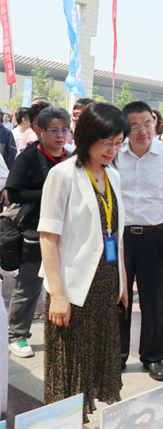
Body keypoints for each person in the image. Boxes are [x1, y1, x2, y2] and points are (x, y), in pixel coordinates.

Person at [38, 103, 130, 422]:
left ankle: (81, 418)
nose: (112, 150)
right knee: (69, 361)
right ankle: (65, 421)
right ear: (87, 136)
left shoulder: (113, 176)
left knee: (93, 359)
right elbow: (48, 237)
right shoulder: (62, 175)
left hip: (104, 281)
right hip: (72, 284)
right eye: (106, 143)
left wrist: (121, 280)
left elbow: (115, 234)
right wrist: (57, 294)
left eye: (118, 143)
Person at [118, 101, 163, 381]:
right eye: (134, 126)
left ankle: (153, 356)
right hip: (119, 237)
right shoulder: (114, 153)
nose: (143, 131)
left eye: (148, 124)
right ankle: (117, 355)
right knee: (118, 295)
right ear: (124, 128)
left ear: (156, 123)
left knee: (154, 298)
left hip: (155, 235)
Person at [6, 107, 71, 358]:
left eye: (64, 130)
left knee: (64, 282)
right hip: (35, 229)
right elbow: (14, 192)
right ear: (40, 131)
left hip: (66, 229)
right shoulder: (28, 158)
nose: (60, 135)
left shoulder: (72, 158)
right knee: (30, 283)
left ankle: (62, 331)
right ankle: (17, 334)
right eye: (54, 130)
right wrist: (49, 192)